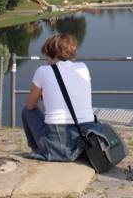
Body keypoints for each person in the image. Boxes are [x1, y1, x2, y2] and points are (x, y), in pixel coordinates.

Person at [22, 33, 94, 161]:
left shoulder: (42, 71)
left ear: (52, 53)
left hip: (57, 136)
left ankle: (38, 148)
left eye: (47, 55)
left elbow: (30, 105)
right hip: (86, 134)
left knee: (27, 112)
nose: (46, 59)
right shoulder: (83, 68)